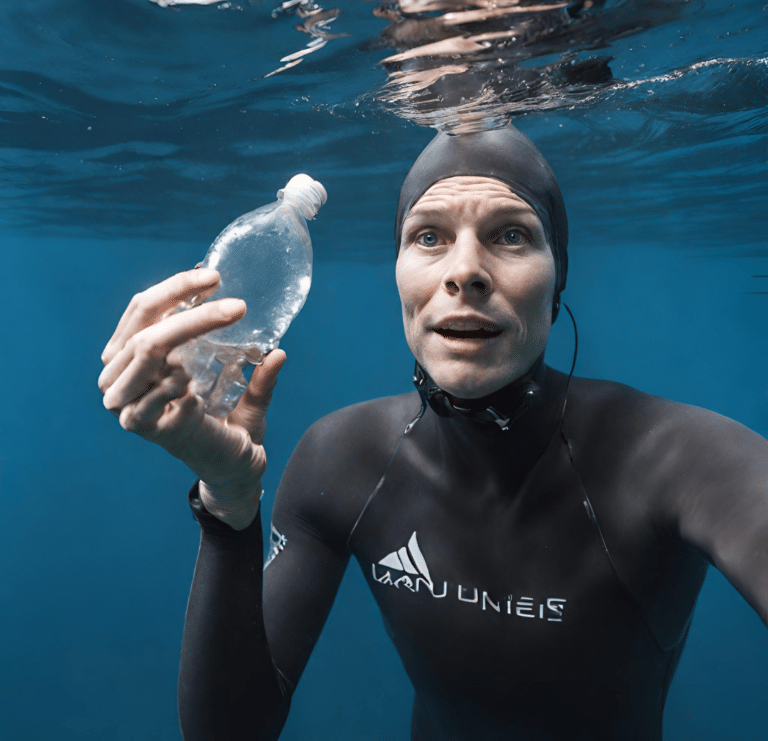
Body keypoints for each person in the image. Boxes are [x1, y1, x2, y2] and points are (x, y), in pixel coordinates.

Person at [98, 128, 768, 741]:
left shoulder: (683, 457)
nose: (464, 271)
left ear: (558, 279)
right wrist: (229, 502)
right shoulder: (343, 458)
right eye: (428, 236)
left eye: (511, 235)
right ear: (397, 276)